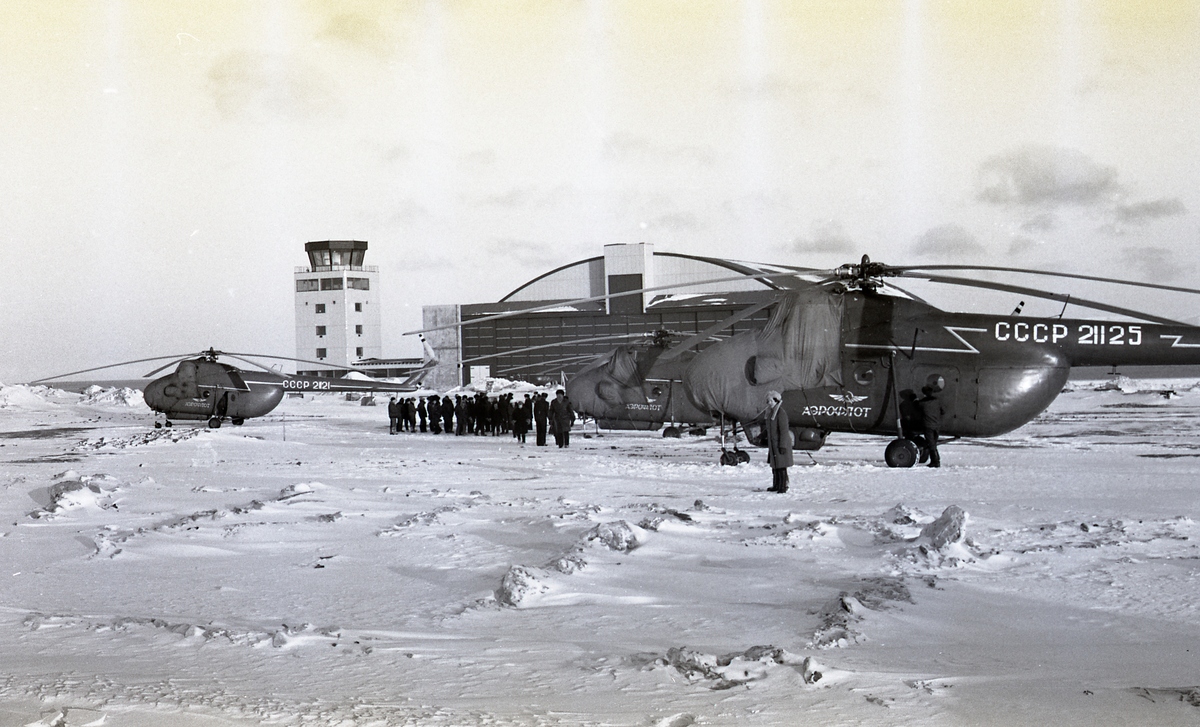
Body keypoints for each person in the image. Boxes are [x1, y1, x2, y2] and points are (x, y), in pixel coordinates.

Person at [765, 390, 792, 493]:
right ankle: (776, 485)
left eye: (770, 401)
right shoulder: (771, 413)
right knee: (775, 466)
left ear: (776, 401)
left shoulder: (781, 413)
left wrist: (783, 445)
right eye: (768, 401)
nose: (769, 403)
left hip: (780, 444)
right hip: (774, 444)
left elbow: (784, 431)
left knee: (781, 467)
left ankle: (783, 486)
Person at [919, 385, 944, 468]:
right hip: (937, 425)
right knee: (934, 443)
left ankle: (935, 461)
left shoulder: (922, 403)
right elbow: (943, 411)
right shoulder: (937, 401)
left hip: (928, 425)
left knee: (931, 443)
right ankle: (937, 460)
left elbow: (916, 406)